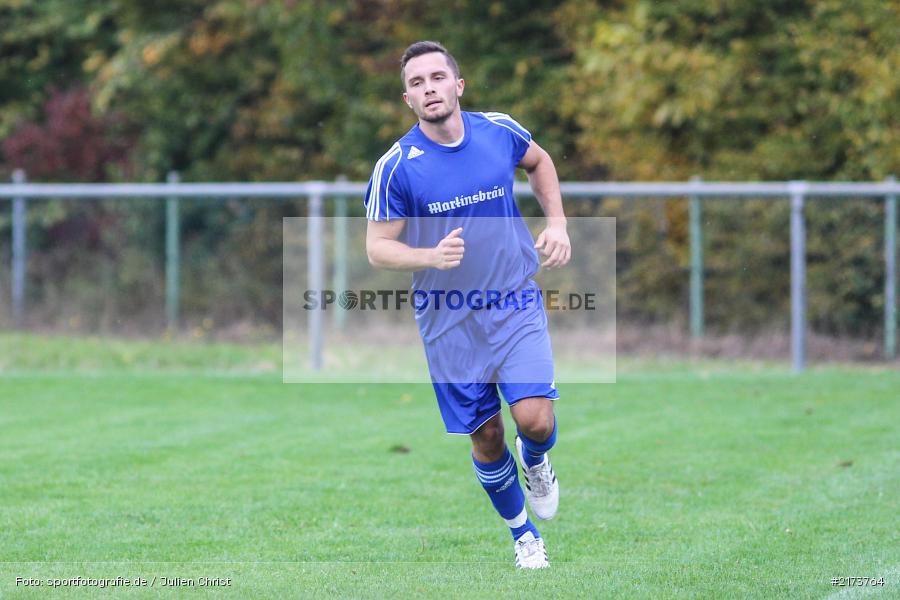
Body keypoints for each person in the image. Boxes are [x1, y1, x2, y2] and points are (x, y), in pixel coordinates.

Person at [364, 40, 570, 569]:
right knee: (486, 434)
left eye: (437, 77)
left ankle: (538, 460)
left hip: (513, 299)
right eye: (416, 83)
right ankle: (524, 535)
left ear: (458, 86)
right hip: (449, 318)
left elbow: (540, 161)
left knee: (536, 421)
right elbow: (377, 247)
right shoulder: (396, 166)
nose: (428, 88)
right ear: (408, 99)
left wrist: (558, 223)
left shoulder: (498, 130)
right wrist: (429, 255)